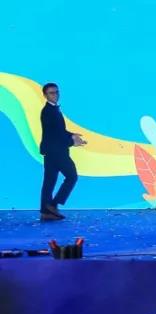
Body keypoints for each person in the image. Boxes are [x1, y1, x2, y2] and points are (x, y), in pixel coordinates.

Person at [39, 83, 86, 221]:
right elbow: (55, 135)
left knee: (49, 181)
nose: (55, 95)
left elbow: (59, 131)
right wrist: (72, 142)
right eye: (51, 93)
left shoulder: (53, 110)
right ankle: (52, 205)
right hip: (56, 152)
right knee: (71, 176)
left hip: (51, 151)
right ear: (45, 95)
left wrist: (71, 135)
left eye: (56, 92)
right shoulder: (48, 111)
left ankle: (46, 211)